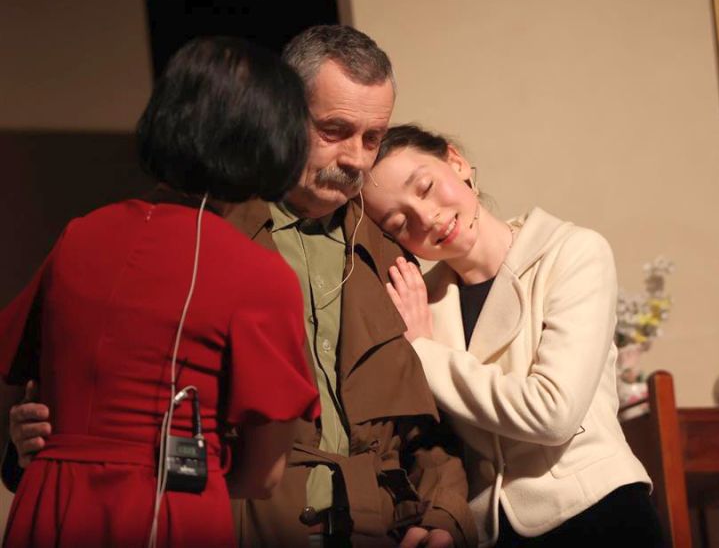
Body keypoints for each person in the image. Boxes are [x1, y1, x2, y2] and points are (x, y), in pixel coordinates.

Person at [6, 27, 476, 548]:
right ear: (283, 117)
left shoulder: (393, 254)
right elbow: (81, 386)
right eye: (334, 131)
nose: (357, 159)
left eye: (372, 138)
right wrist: (29, 439)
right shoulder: (202, 238)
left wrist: (445, 513)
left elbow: (428, 427)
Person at [0, 37, 321, 547]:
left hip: (52, 504)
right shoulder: (261, 276)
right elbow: (263, 477)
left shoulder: (79, 236)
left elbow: (27, 390)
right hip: (165, 511)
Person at [361, 125, 663, 547]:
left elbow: (553, 412)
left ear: (456, 162)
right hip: (490, 534)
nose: (427, 217)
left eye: (426, 187)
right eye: (399, 222)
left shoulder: (573, 252)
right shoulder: (419, 306)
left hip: (599, 516)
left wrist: (424, 353)